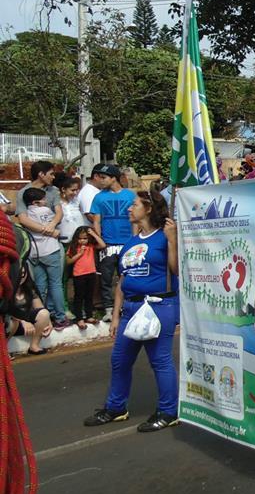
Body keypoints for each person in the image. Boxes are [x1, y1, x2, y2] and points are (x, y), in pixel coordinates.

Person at [83, 188, 180, 431]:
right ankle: (116, 408)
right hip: (131, 308)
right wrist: (115, 316)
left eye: (134, 204)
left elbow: (176, 270)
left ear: (148, 208)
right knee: (119, 360)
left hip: (158, 306)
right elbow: (122, 282)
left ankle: (169, 411)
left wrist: (173, 240)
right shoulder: (131, 243)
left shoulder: (165, 236)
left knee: (160, 361)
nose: (129, 208)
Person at [88, 163, 135, 316]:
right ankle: (108, 308)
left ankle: (129, 305)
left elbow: (135, 219)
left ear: (114, 178)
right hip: (108, 243)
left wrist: (134, 240)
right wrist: (100, 241)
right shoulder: (99, 197)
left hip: (127, 243)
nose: (100, 180)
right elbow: (96, 220)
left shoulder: (130, 195)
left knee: (128, 276)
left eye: (104, 177)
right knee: (106, 278)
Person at [21, 187, 70, 329]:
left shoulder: (26, 214)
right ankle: (60, 317)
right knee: (56, 284)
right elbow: (55, 224)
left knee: (40, 286)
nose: (45, 201)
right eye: (43, 199)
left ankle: (42, 316)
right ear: (36, 201)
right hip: (51, 250)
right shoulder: (46, 211)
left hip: (35, 253)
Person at [5, 267, 53, 355]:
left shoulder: (29, 288)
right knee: (13, 321)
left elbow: (39, 307)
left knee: (44, 313)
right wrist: (23, 321)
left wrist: (48, 322)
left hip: (28, 325)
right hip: (10, 325)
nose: (21, 276)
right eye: (19, 274)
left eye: (23, 274)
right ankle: (3, 350)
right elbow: (6, 310)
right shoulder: (6, 289)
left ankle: (34, 346)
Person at [65, 226, 105, 330]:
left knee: (89, 296)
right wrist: (79, 254)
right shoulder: (73, 247)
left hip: (91, 273)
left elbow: (102, 245)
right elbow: (68, 261)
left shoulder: (91, 246)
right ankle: (79, 318)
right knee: (79, 297)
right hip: (79, 274)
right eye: (80, 238)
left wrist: (93, 234)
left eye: (85, 238)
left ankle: (89, 316)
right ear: (76, 238)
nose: (82, 241)